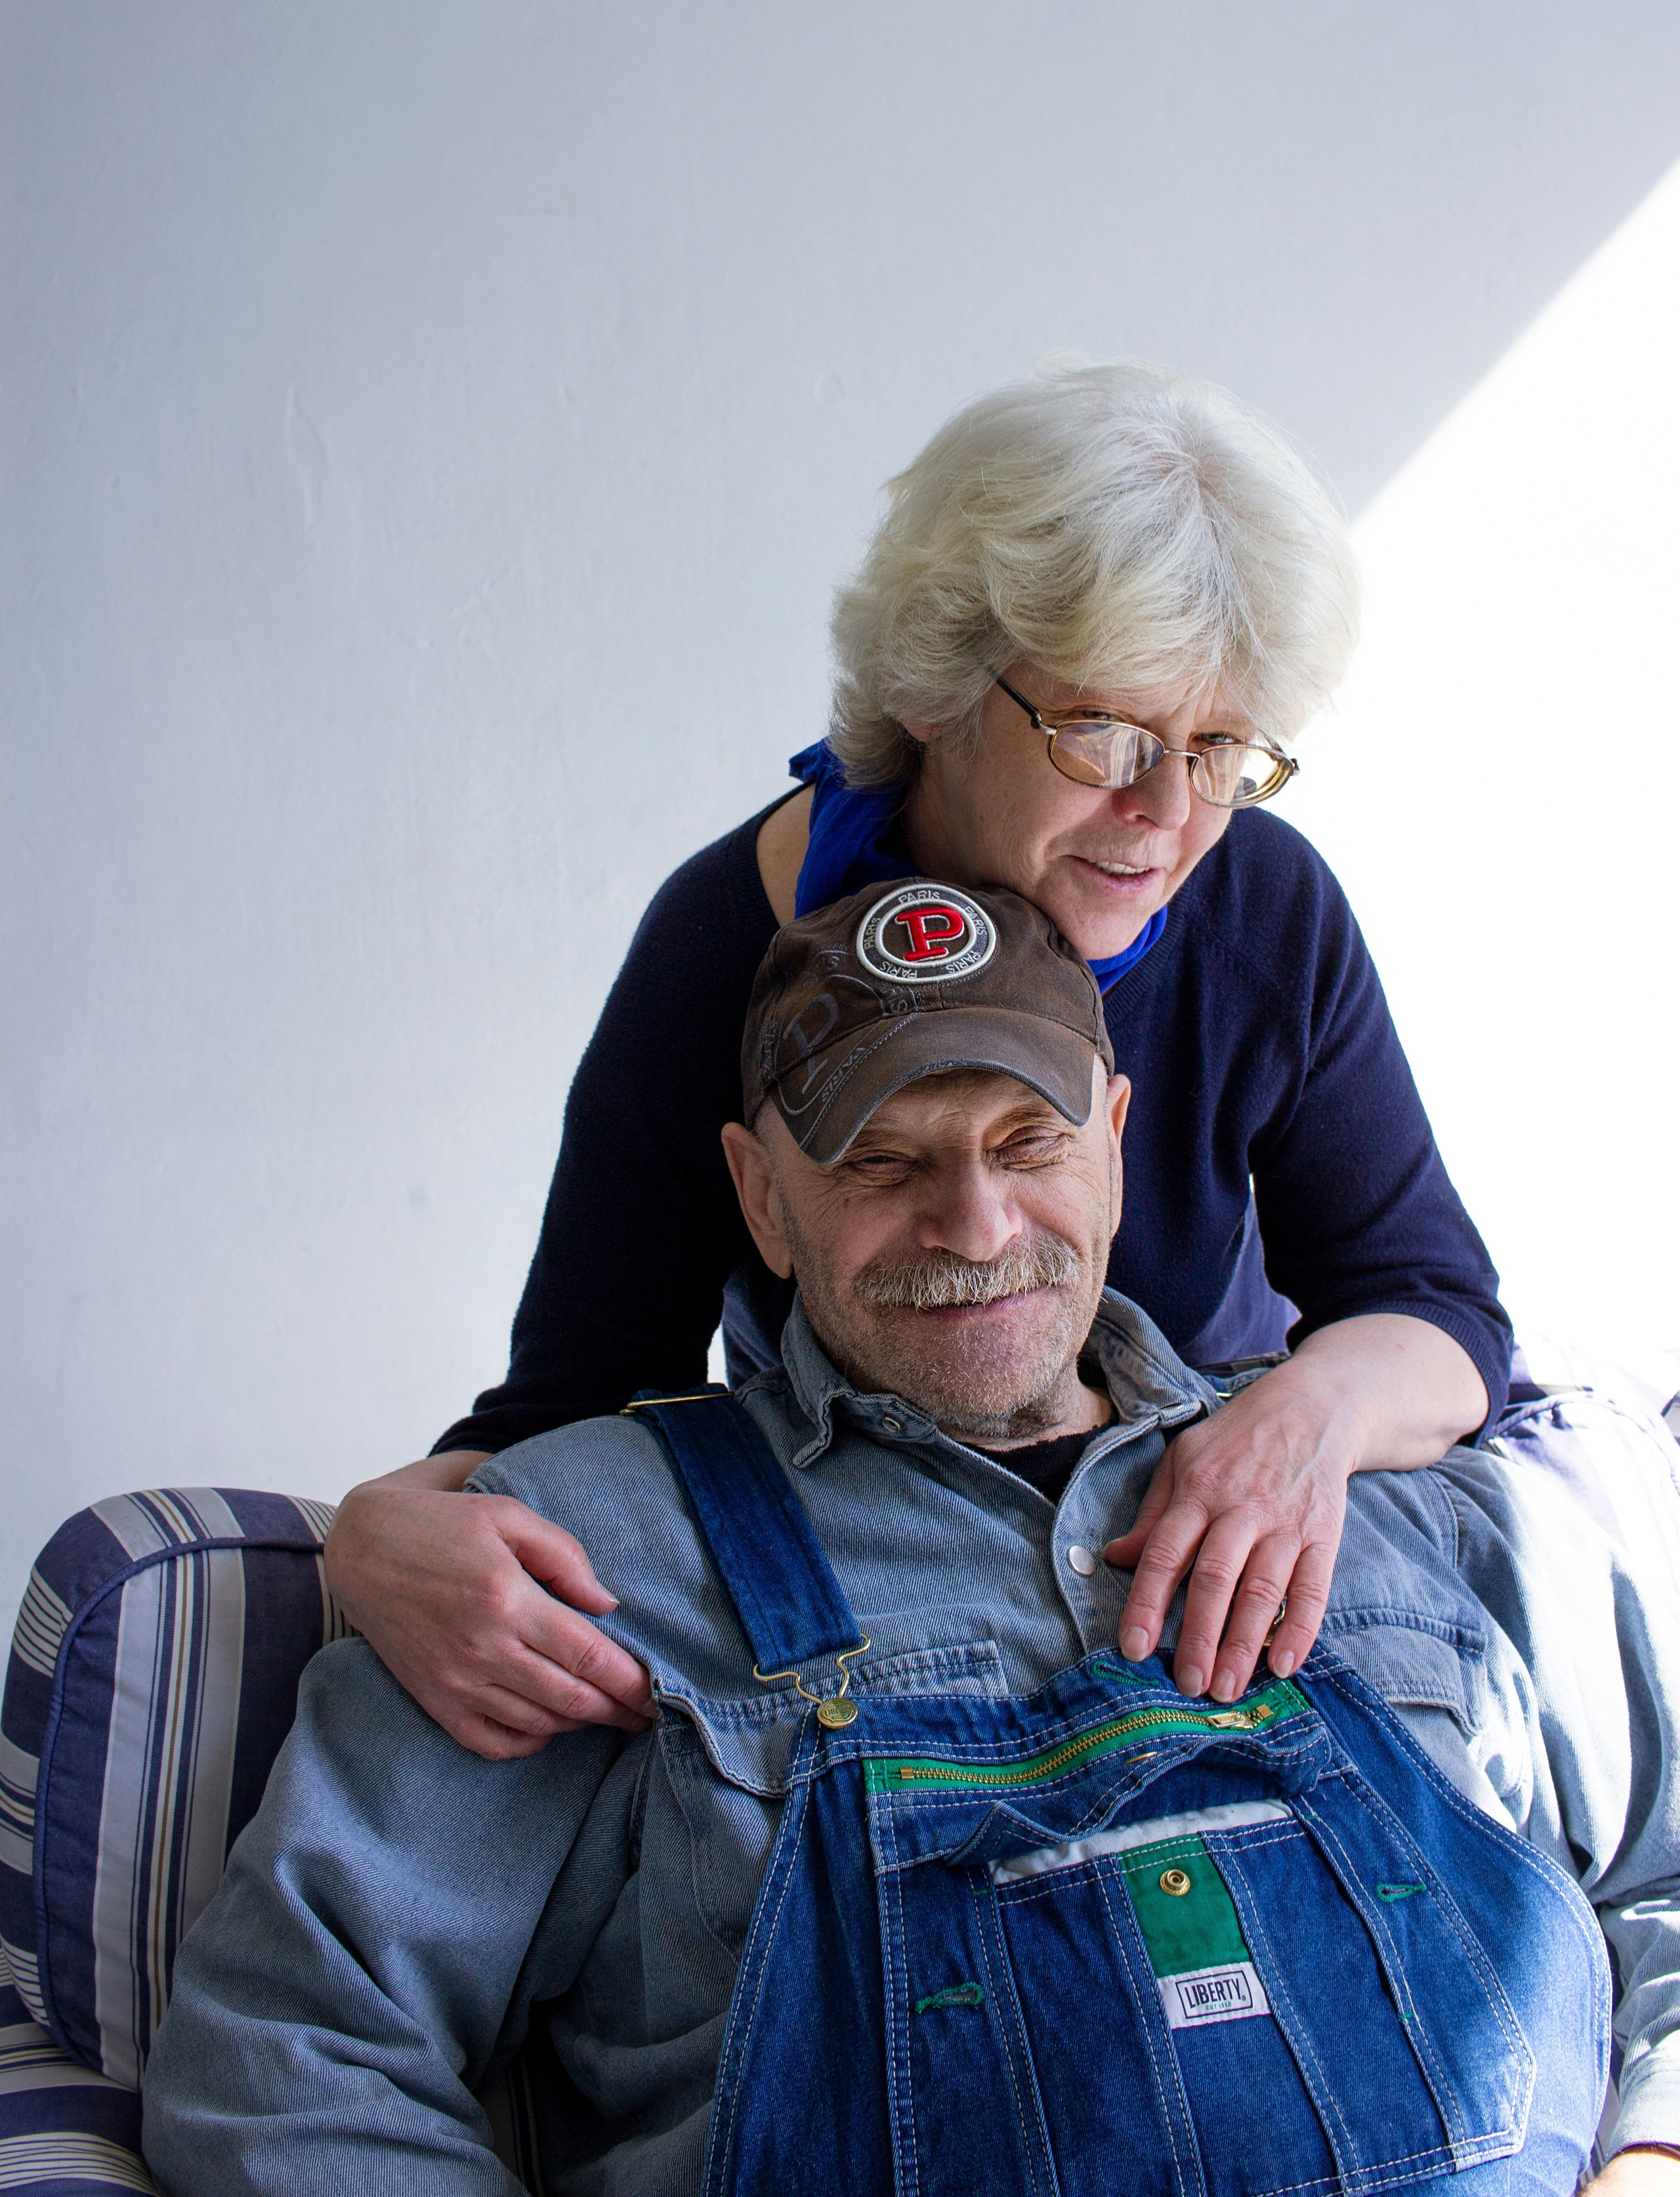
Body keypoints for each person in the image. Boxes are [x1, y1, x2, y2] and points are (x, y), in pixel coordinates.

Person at [145, 885, 1673, 2197]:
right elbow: (288, 2048)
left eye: (1029, 1140)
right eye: (884, 1160)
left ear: (1115, 1139)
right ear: (760, 1193)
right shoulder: (570, 1562)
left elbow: (1659, 1883)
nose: (979, 1223)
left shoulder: (1400, 1504)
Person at [324, 362, 1511, 1761]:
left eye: (1218, 748)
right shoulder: (723, 948)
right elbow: (580, 1405)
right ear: (939, 686)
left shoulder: (1257, 904)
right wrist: (368, 1537)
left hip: (1199, 1555)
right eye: (1105, 734)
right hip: (890, 1579)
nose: (1165, 816)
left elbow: (1435, 1308)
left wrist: (1304, 1418)